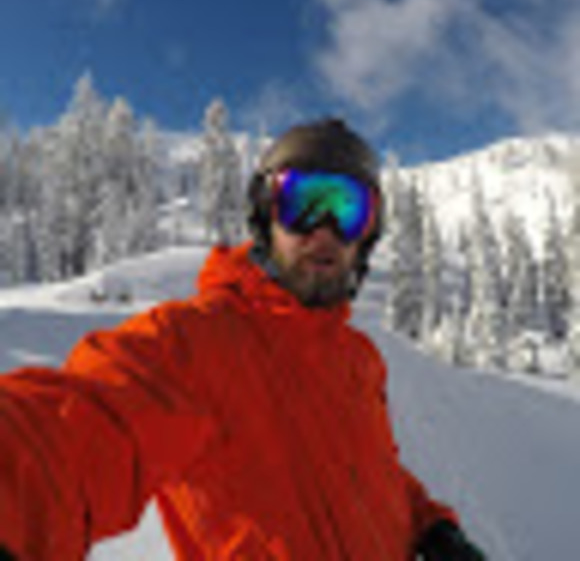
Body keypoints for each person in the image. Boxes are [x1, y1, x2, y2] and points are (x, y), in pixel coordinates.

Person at [0, 118, 485, 560]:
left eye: (348, 210)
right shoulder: (194, 341)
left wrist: (430, 526)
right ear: (265, 214)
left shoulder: (359, 359)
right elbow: (77, 425)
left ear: (369, 234)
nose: (325, 231)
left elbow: (371, 469)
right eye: (303, 204)